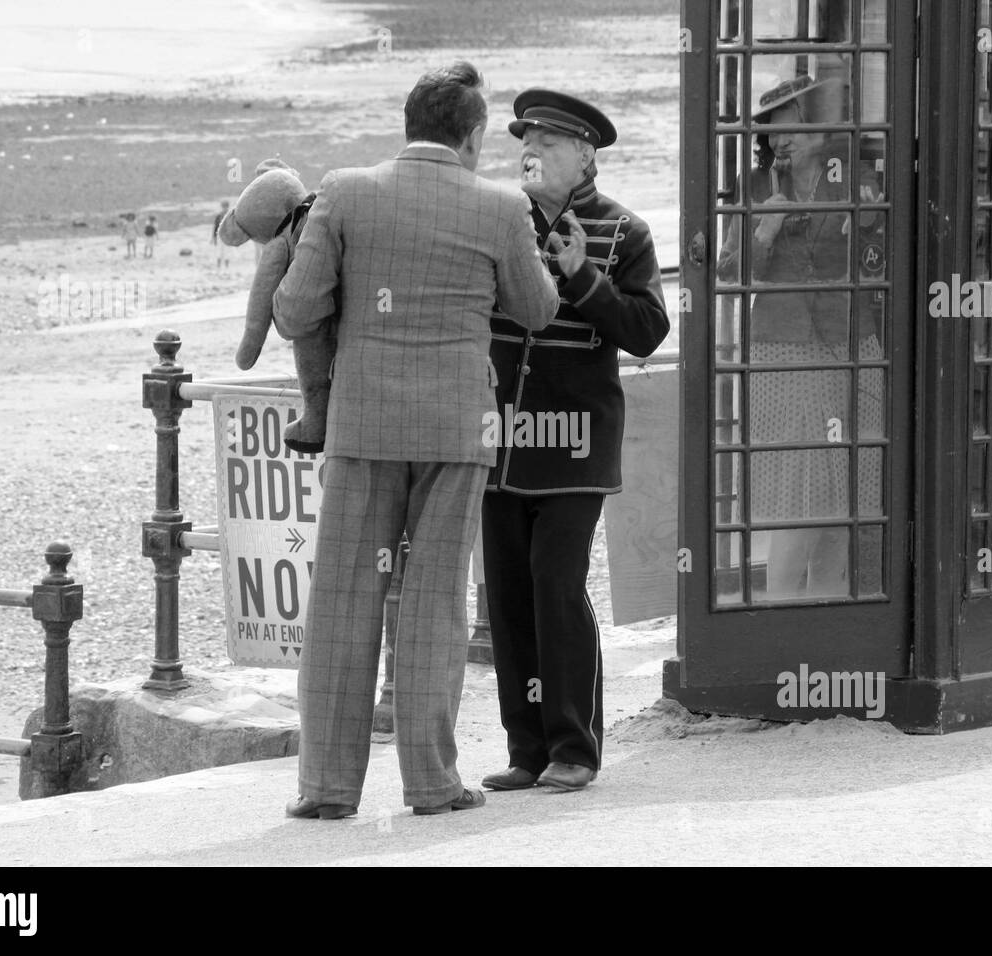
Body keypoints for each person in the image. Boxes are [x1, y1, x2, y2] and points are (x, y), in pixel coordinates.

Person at [273, 62, 559, 819]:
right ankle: (431, 783)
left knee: (341, 600)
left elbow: (297, 311)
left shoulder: (345, 190)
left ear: (408, 125)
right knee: (434, 606)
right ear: (472, 135)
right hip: (458, 429)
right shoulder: (501, 206)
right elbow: (534, 310)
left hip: (365, 426)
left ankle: (327, 789)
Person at [480, 90, 669, 794]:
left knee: (556, 586)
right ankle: (525, 747)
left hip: (576, 442)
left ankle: (575, 745)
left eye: (550, 142)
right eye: (525, 139)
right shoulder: (498, 222)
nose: (532, 150)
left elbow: (648, 332)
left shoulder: (625, 232)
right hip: (500, 439)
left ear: (586, 155)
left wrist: (584, 277)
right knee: (508, 595)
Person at [717, 74, 883, 598]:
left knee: (845, 486)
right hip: (783, 347)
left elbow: (884, 257)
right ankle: (780, 604)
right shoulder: (754, 185)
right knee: (798, 484)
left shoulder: (858, 180)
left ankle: (826, 604)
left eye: (791, 129)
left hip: (851, 341)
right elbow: (727, 271)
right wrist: (764, 229)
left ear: (821, 128)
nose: (778, 141)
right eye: (770, 132)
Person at [212, 199, 231, 270]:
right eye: (223, 207)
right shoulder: (218, 216)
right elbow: (215, 227)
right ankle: (218, 267)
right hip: (219, 236)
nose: (225, 208)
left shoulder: (230, 216)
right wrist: (214, 237)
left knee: (227, 253)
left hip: (227, 237)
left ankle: (226, 268)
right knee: (219, 252)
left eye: (226, 207)